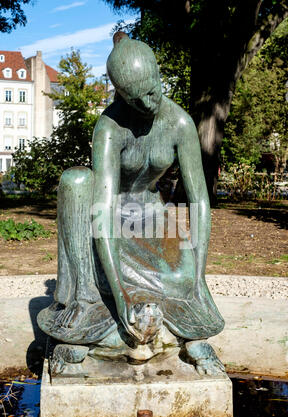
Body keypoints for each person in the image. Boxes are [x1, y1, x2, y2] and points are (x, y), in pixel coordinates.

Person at [38, 32, 225, 374]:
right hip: (112, 221)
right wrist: (123, 296)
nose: (149, 104)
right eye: (137, 100)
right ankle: (97, 299)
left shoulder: (180, 123)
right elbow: (104, 209)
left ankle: (120, 300)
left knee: (183, 280)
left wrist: (198, 278)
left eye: (153, 91)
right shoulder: (110, 126)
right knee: (77, 182)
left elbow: (199, 201)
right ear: (122, 95)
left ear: (158, 74)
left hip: (152, 217)